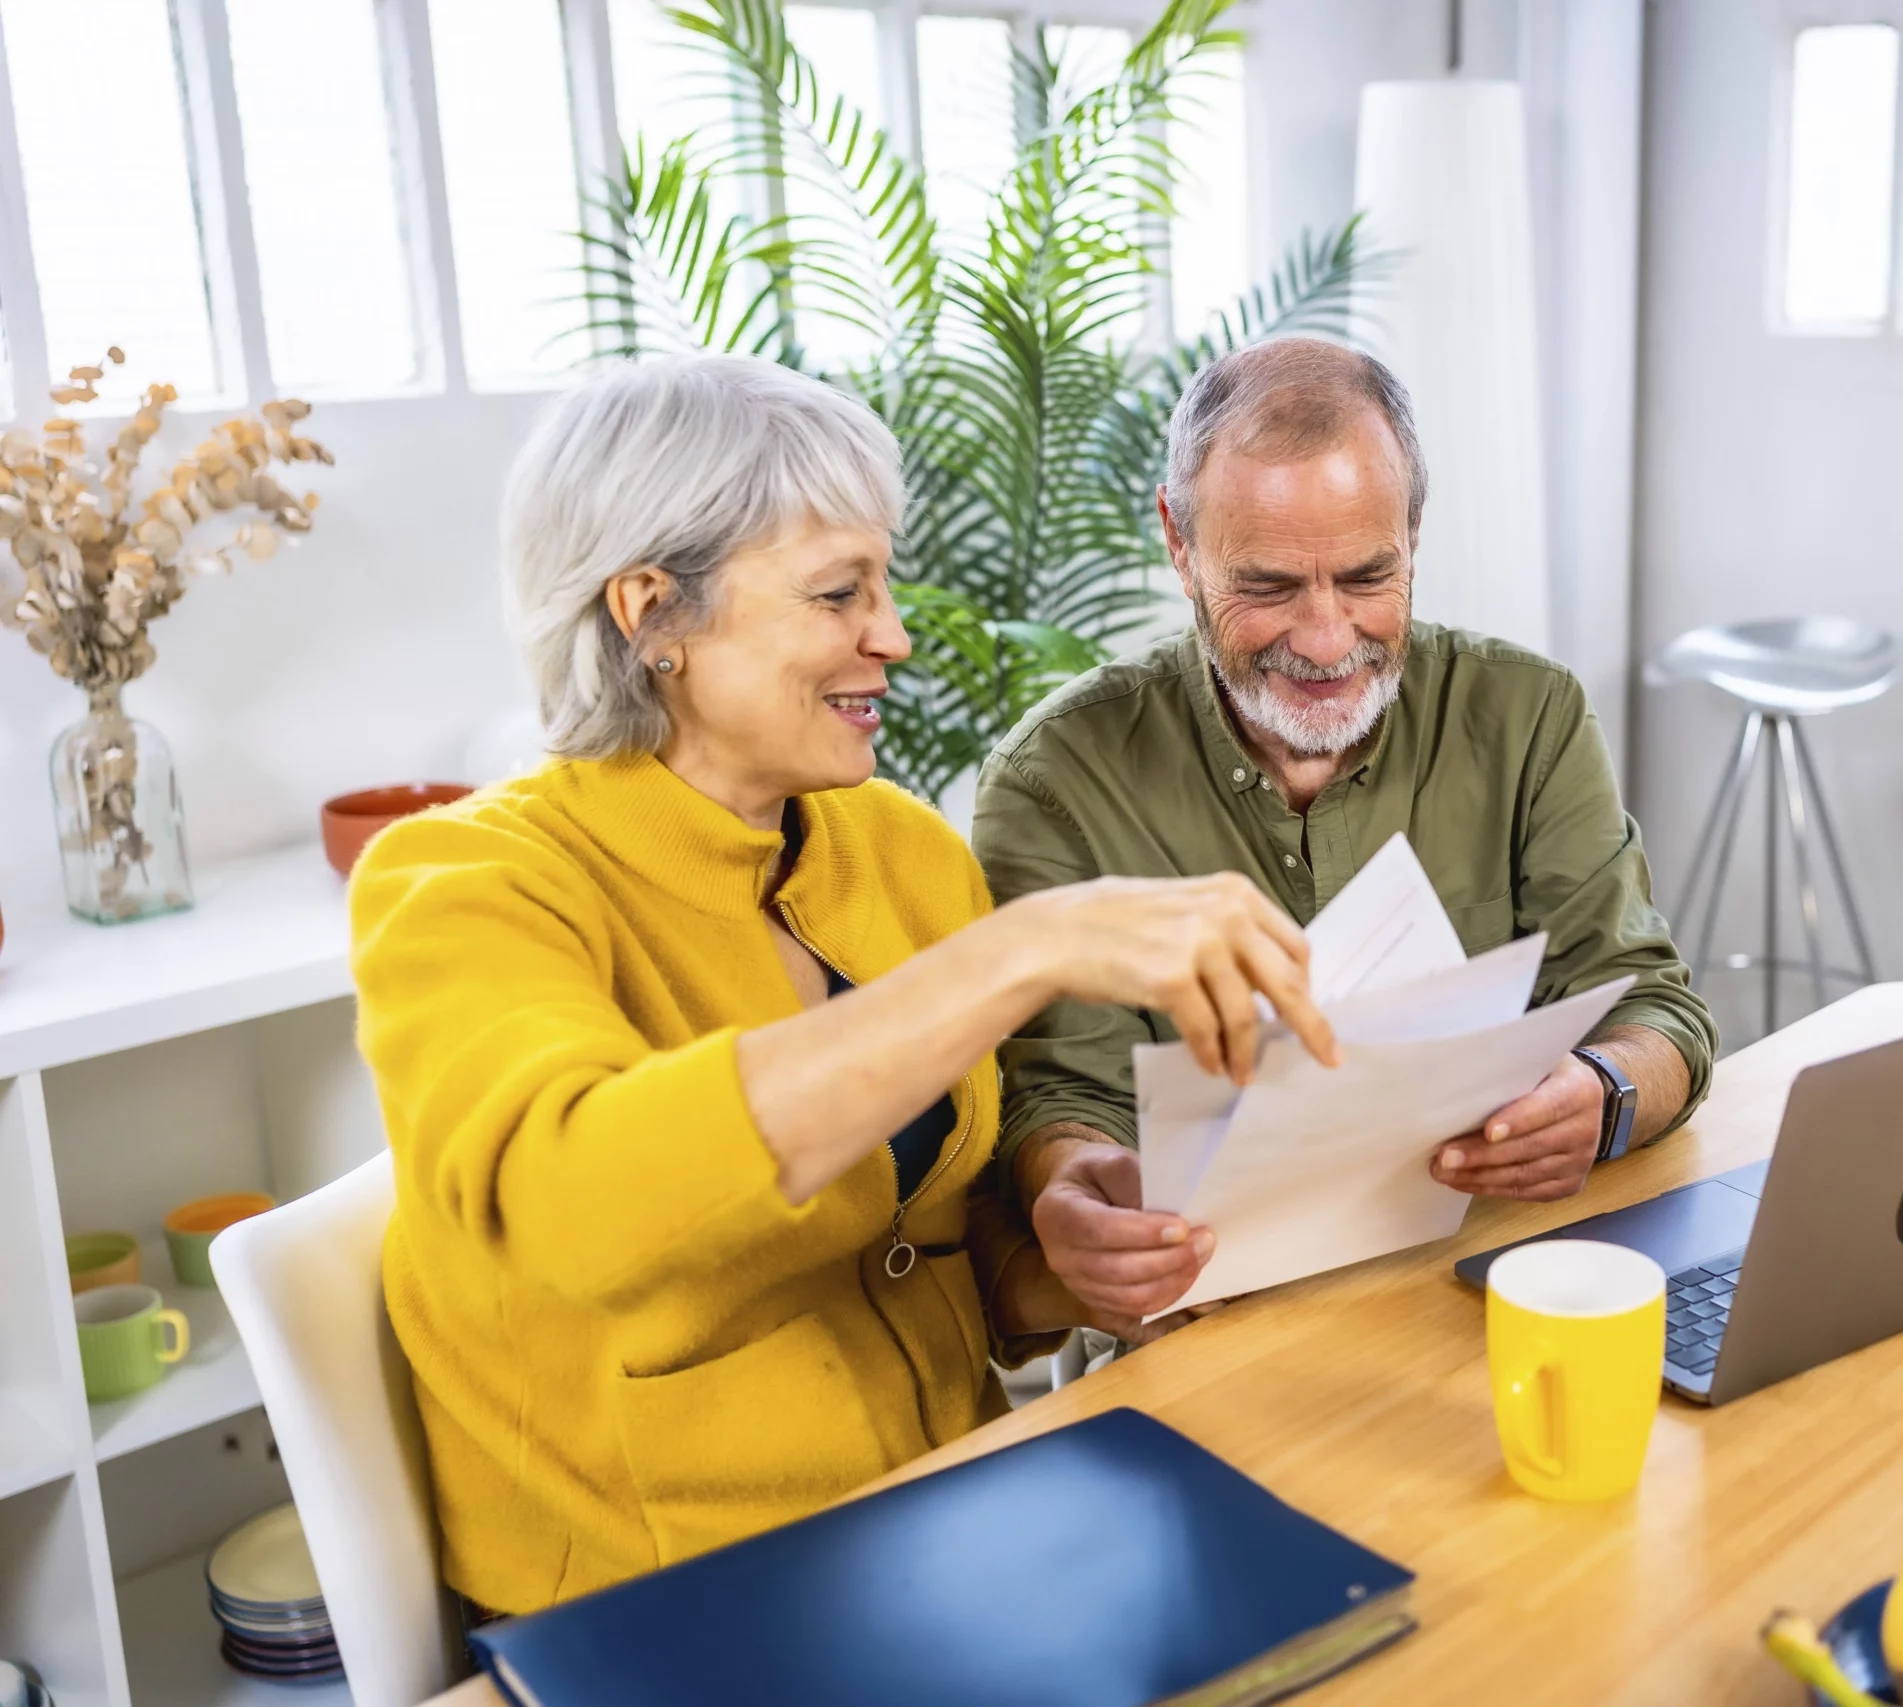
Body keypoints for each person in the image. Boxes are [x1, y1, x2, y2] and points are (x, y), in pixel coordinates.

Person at [347, 355, 1335, 1615]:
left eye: (884, 581)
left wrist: (1064, 1263)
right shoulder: (462, 883)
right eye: (837, 593)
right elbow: (581, 1205)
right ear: (654, 614)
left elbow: (925, 1251)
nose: (895, 635)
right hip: (665, 1601)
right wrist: (1023, 949)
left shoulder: (895, 850)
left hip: (948, 1512)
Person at [973, 337, 1717, 1329]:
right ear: (1178, 541)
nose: (1326, 641)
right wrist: (1071, 1187)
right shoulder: (1054, 781)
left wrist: (1604, 1088)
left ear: (1414, 533)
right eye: (1270, 588)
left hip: (1503, 1282)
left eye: (1368, 577)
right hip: (1219, 1327)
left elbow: (1654, 1006)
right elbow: (1060, 1096)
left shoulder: (1526, 714)